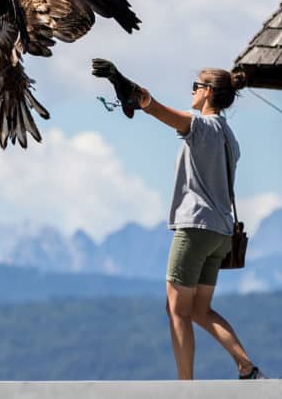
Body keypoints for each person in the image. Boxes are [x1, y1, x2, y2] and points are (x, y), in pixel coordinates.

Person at [92, 59, 265, 380]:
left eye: (196, 86)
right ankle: (247, 366)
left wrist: (123, 82)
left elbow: (153, 107)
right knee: (200, 310)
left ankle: (185, 386)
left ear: (209, 92)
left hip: (195, 228)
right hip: (221, 234)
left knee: (176, 310)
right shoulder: (231, 139)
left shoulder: (199, 127)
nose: (192, 91)